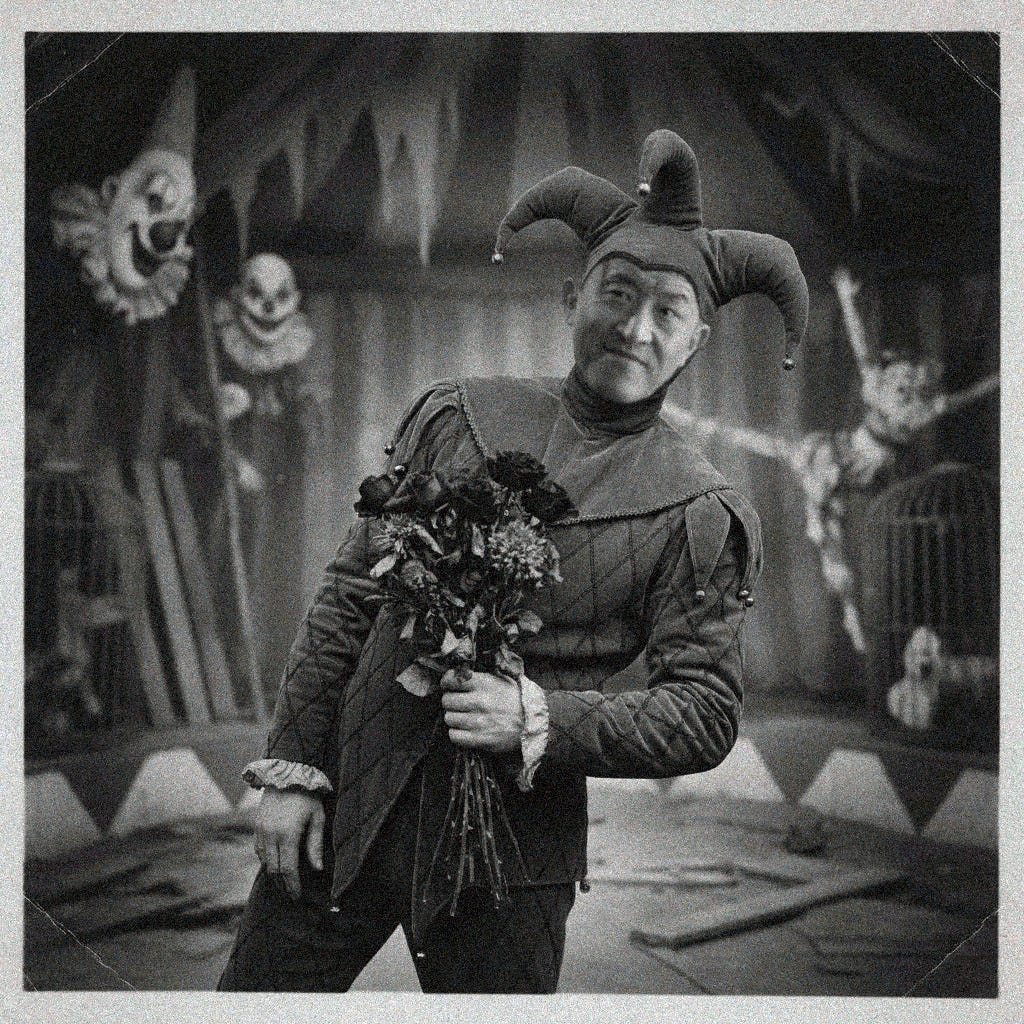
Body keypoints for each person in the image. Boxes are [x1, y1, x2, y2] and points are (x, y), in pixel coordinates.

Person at [217, 128, 808, 994]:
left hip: (511, 860)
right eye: (617, 292)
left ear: (696, 343)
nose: (634, 328)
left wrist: (536, 716)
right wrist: (295, 771)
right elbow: (350, 594)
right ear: (573, 297)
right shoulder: (456, 415)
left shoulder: (701, 510)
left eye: (669, 313)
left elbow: (705, 712)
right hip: (344, 804)